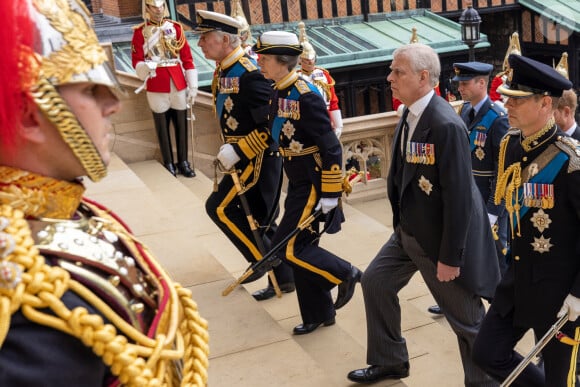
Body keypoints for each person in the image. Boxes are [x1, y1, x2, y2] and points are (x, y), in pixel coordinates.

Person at [0, 0, 209, 386]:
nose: (113, 105)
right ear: (30, 114)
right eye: (92, 89)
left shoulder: (64, 209)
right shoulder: (24, 306)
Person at [347, 43, 501, 385]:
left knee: (468, 322)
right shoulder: (410, 113)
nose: (389, 78)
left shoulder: (445, 124)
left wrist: (451, 257)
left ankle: (489, 381)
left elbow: (461, 199)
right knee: (374, 282)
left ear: (422, 77)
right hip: (409, 232)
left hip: (439, 241)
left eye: (397, 72)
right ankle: (390, 360)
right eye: (391, 70)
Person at [472, 54, 579, 387]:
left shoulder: (570, 160)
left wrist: (578, 292)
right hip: (517, 282)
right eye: (507, 97)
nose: (506, 104)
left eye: (517, 100)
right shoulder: (510, 146)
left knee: (561, 379)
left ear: (546, 103)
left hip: (561, 294)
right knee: (487, 353)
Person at [253, 31, 362, 334]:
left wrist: (329, 193)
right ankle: (318, 313)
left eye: (264, 58)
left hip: (313, 184)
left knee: (287, 248)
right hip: (298, 180)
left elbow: (331, 147)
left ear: (283, 61)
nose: (259, 61)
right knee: (301, 245)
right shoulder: (277, 89)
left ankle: (345, 273)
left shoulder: (306, 95)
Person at [196, 10, 294, 301]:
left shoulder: (249, 74)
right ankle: (285, 278)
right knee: (262, 221)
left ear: (225, 40)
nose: (200, 44)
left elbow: (272, 125)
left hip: (259, 160)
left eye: (205, 38)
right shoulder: (226, 68)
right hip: (241, 160)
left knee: (220, 208)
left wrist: (239, 149)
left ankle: (263, 261)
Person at [428, 62, 510, 316]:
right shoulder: (464, 112)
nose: (460, 88)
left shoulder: (497, 118)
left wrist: (494, 210)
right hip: (466, 197)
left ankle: (505, 307)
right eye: (460, 83)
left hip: (487, 200)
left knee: (496, 257)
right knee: (459, 248)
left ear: (482, 83)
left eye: (465, 83)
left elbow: (502, 169)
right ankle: (454, 298)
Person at [131, 0, 197, 177]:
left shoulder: (175, 27)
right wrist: (145, 68)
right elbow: (136, 61)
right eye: (154, 7)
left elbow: (187, 59)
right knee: (162, 125)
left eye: (161, 6)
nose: (158, 10)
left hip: (177, 81)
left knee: (181, 124)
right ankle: (168, 162)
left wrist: (194, 86)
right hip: (156, 81)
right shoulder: (139, 32)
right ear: (147, 8)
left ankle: (183, 161)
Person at [296, 22, 344, 138]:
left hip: (326, 122)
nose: (311, 62)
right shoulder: (295, 78)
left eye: (313, 59)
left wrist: (338, 125)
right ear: (300, 61)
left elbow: (332, 101)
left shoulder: (324, 74)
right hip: (305, 123)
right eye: (307, 61)